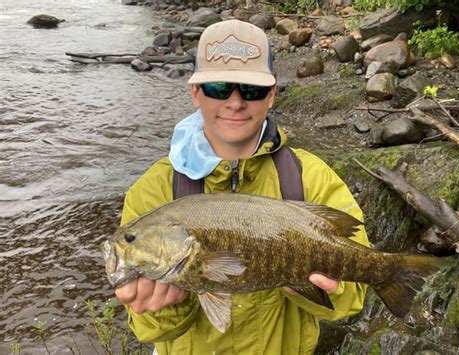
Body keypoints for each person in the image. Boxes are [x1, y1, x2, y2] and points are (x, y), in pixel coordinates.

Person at [115, 19, 370, 354]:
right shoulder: (151, 191)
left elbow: (353, 299)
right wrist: (164, 305)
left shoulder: (312, 177)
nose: (235, 103)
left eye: (251, 90)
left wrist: (329, 290)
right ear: (195, 92)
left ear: (272, 95)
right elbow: (149, 330)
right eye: (219, 88)